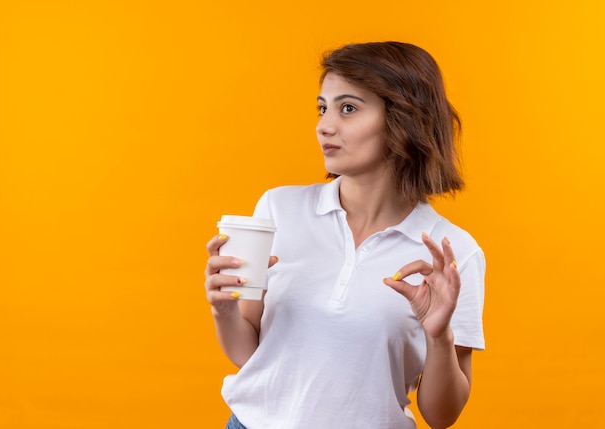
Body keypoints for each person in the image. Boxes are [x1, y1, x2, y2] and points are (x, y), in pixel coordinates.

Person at [205, 41, 485, 429]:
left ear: (403, 118)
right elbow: (249, 356)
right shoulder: (279, 209)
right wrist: (224, 309)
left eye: (348, 108)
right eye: (323, 107)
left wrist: (439, 337)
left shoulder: (451, 253)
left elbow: (442, 415)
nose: (324, 125)